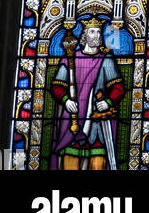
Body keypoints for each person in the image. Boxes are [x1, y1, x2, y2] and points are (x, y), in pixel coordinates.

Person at [49, 18, 125, 170]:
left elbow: (118, 87)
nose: (97, 35)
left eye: (98, 32)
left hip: (96, 124)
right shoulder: (70, 58)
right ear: (83, 36)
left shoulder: (106, 60)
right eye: (92, 32)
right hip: (72, 120)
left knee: (97, 163)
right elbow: (57, 86)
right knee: (69, 161)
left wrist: (108, 102)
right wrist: (66, 101)